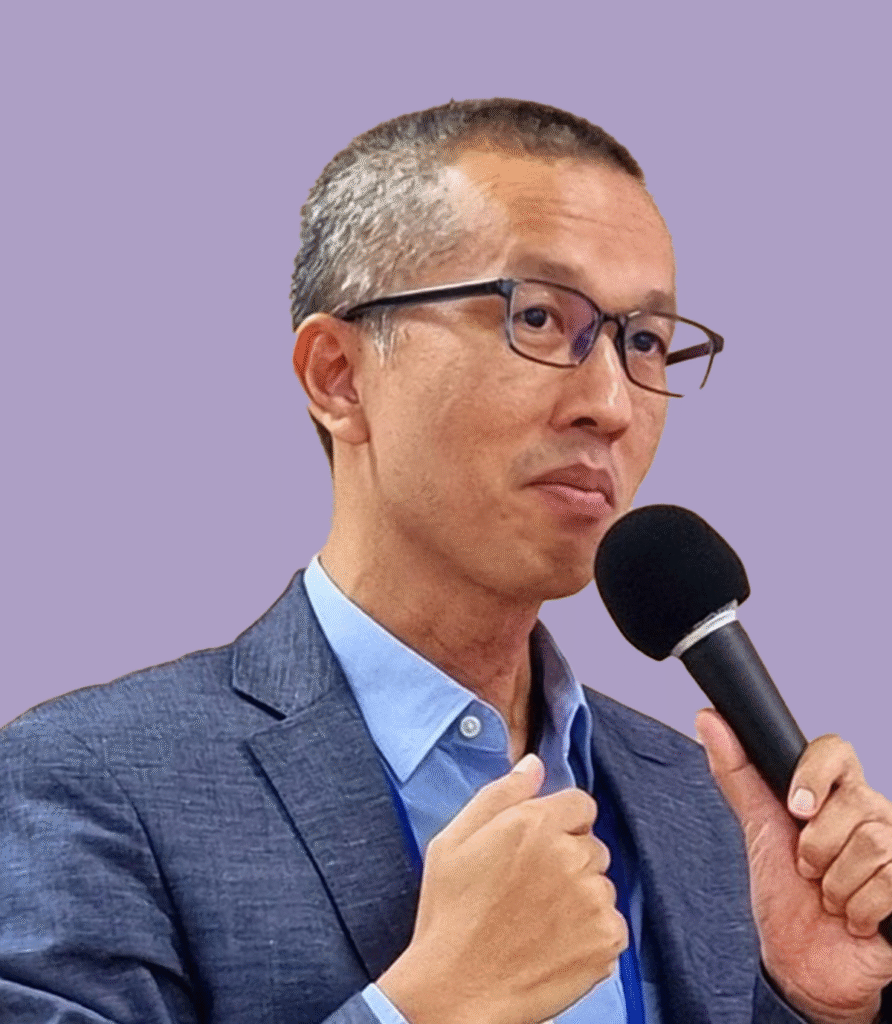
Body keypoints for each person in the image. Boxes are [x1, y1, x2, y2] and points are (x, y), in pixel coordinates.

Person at [2, 98, 891, 1024]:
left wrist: (810, 1003)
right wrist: (426, 1009)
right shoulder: (90, 784)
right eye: (538, 316)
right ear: (338, 377)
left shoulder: (705, 810)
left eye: (644, 342)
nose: (612, 403)